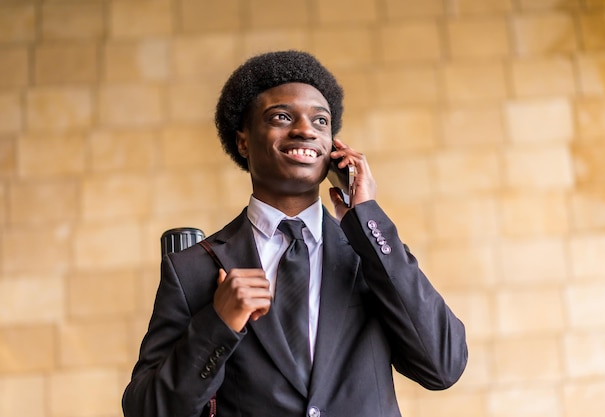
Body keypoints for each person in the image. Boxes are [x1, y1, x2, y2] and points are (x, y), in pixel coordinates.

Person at [122, 50, 468, 417]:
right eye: (282, 117)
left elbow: (442, 366)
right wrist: (218, 325)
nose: (306, 129)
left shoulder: (369, 253)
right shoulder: (192, 269)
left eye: (321, 121)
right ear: (243, 141)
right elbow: (146, 410)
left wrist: (366, 217)